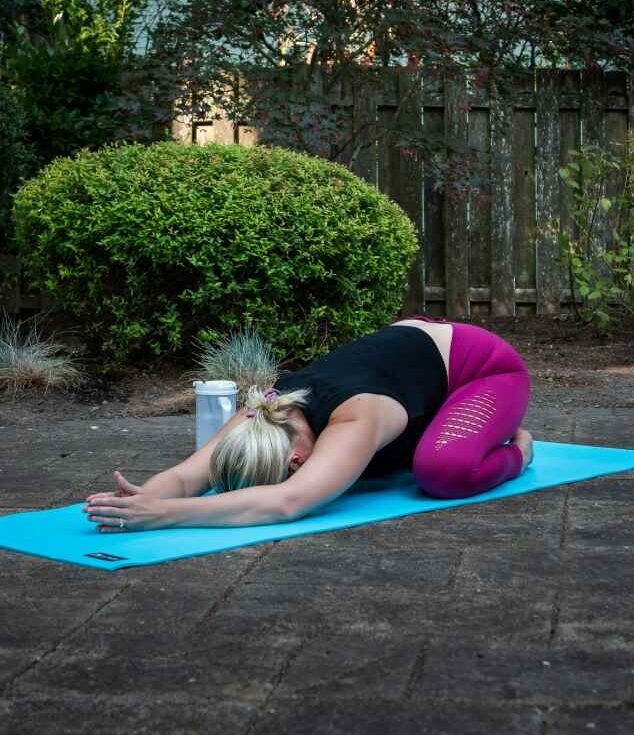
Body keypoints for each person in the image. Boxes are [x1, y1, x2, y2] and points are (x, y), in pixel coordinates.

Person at [83, 315, 534, 533]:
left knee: (442, 471)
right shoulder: (262, 413)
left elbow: (286, 503)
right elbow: (187, 475)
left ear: (297, 459)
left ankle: (519, 447)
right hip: (412, 370)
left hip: (483, 369)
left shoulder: (355, 414)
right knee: (387, 465)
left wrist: (166, 516)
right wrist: (144, 498)